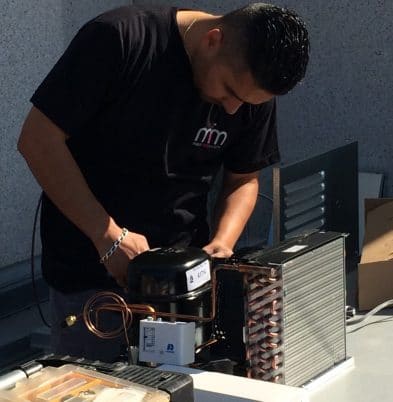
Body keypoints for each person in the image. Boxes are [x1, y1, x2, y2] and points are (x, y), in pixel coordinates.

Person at [18, 3, 309, 361]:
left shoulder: (250, 85)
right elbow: (37, 140)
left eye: (246, 102)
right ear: (213, 40)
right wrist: (107, 235)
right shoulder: (122, 39)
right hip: (92, 279)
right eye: (230, 93)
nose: (233, 110)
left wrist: (221, 243)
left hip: (184, 285)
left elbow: (244, 177)